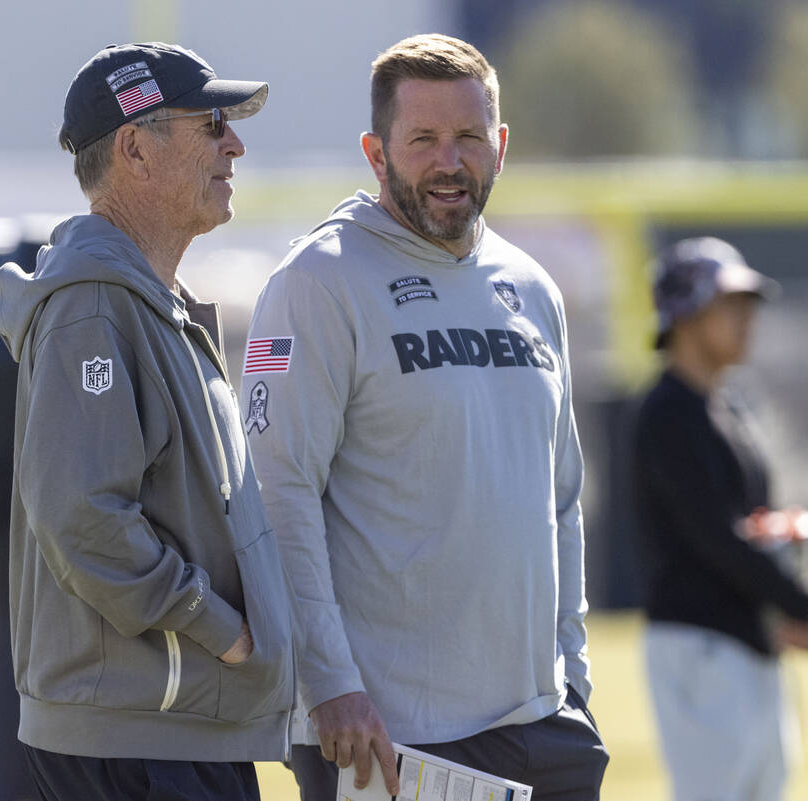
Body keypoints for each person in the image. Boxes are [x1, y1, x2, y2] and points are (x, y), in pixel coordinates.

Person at [241, 34, 608, 801]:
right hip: (387, 733)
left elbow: (563, 497)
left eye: (468, 136)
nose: (450, 161)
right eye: (423, 140)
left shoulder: (531, 286)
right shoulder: (319, 281)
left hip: (543, 722)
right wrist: (330, 683)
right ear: (376, 154)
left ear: (499, 147)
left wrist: (571, 675)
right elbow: (278, 499)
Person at [0, 42, 295, 801]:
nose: (235, 144)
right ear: (134, 147)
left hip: (171, 727)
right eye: (211, 124)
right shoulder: (91, 309)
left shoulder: (144, 304)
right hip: (138, 741)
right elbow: (84, 519)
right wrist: (221, 629)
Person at [631, 236, 808, 801]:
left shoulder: (725, 406)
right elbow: (714, 536)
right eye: (729, 304)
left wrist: (789, 598)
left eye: (747, 305)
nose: (747, 318)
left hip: (747, 642)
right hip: (701, 647)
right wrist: (805, 603)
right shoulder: (668, 412)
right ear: (685, 314)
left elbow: (746, 528)